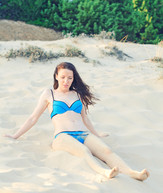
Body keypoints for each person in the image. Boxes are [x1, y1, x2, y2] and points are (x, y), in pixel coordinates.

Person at [5, 62, 149, 181]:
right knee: (84, 151)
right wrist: (15, 136)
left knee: (106, 150)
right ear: (56, 76)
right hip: (62, 136)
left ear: (73, 79)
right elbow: (33, 118)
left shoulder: (77, 94)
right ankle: (104, 172)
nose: (66, 81)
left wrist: (96, 134)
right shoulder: (49, 94)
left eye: (69, 78)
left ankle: (133, 173)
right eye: (62, 77)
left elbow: (85, 118)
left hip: (83, 133)